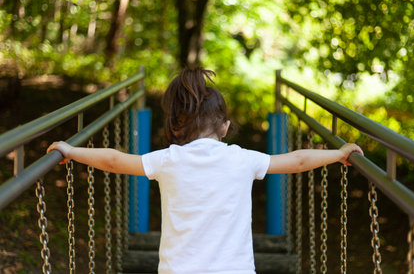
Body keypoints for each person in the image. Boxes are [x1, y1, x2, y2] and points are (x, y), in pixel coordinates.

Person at [47, 67, 363, 274]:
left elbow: (114, 160)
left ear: (177, 128)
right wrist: (338, 154)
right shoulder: (243, 159)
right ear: (225, 127)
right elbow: (297, 160)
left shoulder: (167, 159)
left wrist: (72, 151)